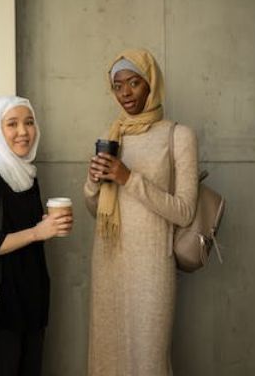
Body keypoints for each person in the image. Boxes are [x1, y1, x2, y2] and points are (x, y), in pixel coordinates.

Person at [84, 48, 198, 375]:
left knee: (149, 360)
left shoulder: (178, 135)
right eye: (118, 86)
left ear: (151, 84)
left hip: (151, 266)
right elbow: (95, 210)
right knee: (108, 358)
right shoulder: (111, 135)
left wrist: (128, 178)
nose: (125, 93)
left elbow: (185, 212)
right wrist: (93, 183)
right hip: (108, 261)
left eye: (134, 83)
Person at [0, 95, 73, 376]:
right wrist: (37, 232)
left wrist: (47, 225)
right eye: (12, 124)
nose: (23, 132)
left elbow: (22, 228)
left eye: (29, 122)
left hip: (31, 299)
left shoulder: (26, 173)